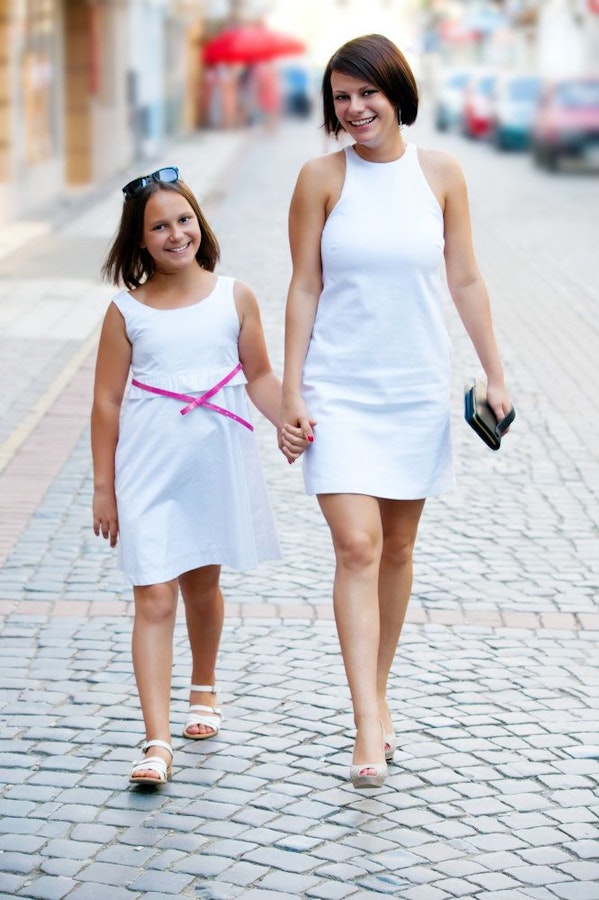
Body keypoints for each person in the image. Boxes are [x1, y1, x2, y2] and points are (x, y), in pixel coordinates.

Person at [280, 34, 513, 789]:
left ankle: (378, 697)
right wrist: (292, 389)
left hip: (413, 387)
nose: (352, 110)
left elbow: (465, 276)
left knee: (399, 551)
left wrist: (494, 371)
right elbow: (304, 286)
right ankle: (364, 726)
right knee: (357, 546)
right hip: (338, 391)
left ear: (396, 92)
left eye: (365, 94)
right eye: (340, 98)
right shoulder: (319, 178)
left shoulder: (440, 173)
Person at [91, 166, 307, 786]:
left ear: (199, 224)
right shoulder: (124, 312)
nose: (174, 233)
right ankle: (156, 741)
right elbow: (106, 402)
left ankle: (204, 685)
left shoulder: (234, 296)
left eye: (183, 219)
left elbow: (260, 375)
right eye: (158, 226)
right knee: (153, 594)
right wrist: (105, 488)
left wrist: (286, 420)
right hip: (148, 468)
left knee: (201, 585)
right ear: (139, 241)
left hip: (214, 461)